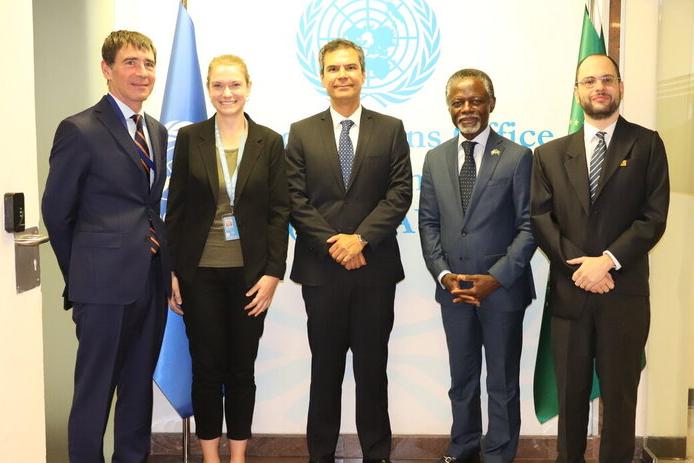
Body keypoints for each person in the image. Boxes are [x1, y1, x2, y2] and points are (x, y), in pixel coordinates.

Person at [531, 53, 670, 463]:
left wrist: (606, 261)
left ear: (620, 87)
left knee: (621, 398)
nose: (599, 88)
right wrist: (582, 267)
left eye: (607, 79)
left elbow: (654, 217)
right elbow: (541, 219)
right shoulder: (549, 154)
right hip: (570, 295)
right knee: (570, 396)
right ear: (577, 92)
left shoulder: (647, 144)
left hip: (623, 296)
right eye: (589, 81)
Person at [42, 30, 170, 462]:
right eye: (131, 62)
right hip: (101, 290)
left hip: (149, 281)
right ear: (107, 69)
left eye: (148, 64)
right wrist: (83, 276)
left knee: (137, 391)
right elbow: (57, 212)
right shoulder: (79, 129)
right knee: (94, 394)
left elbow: (147, 206)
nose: (142, 72)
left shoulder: (155, 131)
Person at [286, 38, 412, 463]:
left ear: (363, 73)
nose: (342, 75)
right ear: (322, 77)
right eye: (334, 69)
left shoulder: (390, 128)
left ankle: (377, 454)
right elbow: (295, 199)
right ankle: (320, 455)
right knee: (325, 370)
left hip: (374, 270)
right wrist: (334, 245)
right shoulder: (301, 132)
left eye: (350, 67)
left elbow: (400, 193)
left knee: (372, 370)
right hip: (321, 273)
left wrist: (360, 239)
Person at [165, 54, 289, 463]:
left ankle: (237, 457)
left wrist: (273, 273)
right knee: (206, 369)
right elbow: (176, 209)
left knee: (241, 370)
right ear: (209, 89)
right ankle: (210, 457)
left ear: (248, 87)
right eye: (218, 85)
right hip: (198, 274)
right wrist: (172, 271)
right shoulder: (192, 138)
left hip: (250, 277)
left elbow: (279, 212)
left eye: (234, 84)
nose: (227, 93)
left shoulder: (269, 141)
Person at [418, 69, 536, 463]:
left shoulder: (518, 157)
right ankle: (464, 446)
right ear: (449, 107)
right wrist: (443, 274)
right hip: (453, 290)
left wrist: (495, 278)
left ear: (491, 104)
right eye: (458, 102)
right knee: (462, 378)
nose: (467, 109)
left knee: (501, 382)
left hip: (501, 291)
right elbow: (428, 222)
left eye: (475, 100)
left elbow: (529, 227)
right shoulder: (435, 159)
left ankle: (499, 454)